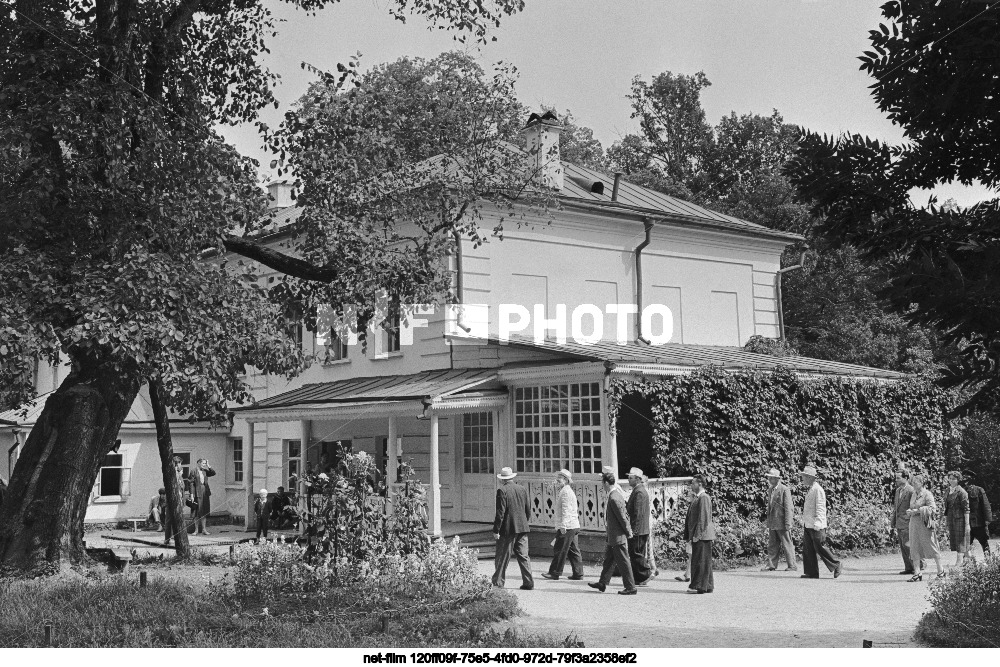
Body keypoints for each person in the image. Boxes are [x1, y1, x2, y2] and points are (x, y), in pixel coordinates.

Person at [589, 471, 637, 595]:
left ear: (606, 483)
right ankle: (602, 583)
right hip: (613, 535)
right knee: (609, 560)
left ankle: (631, 587)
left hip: (618, 536)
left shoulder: (614, 497)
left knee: (623, 561)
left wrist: (628, 531)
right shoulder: (614, 494)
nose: (602, 485)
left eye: (602, 483)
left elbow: (622, 517)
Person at [492, 466, 533, 590]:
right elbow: (528, 510)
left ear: (502, 479)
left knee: (502, 556)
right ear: (512, 477)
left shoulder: (502, 490)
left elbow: (500, 513)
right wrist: (524, 522)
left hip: (508, 529)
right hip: (522, 527)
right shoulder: (522, 489)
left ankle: (498, 582)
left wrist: (496, 530)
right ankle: (528, 582)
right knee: (524, 556)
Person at [799, 465, 842, 579]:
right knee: (808, 549)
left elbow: (821, 507)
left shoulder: (818, 490)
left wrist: (818, 522)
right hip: (808, 524)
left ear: (809, 477)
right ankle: (811, 572)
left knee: (820, 547)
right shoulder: (811, 489)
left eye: (804, 476)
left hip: (816, 525)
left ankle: (836, 564)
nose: (802, 479)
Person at [542, 469, 584, 581]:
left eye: (560, 478)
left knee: (559, 549)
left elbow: (566, 510)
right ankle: (578, 573)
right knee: (573, 550)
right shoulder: (566, 490)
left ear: (565, 480)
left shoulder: (565, 492)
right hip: (573, 524)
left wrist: (563, 526)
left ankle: (555, 572)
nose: (557, 480)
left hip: (568, 525)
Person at [906, 473, 945, 580]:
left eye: (916, 482)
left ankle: (940, 570)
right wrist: (910, 511)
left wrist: (917, 510)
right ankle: (917, 572)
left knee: (931, 545)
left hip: (925, 524)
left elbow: (933, 509)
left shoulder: (927, 494)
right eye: (912, 482)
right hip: (914, 523)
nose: (913, 484)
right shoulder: (914, 494)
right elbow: (912, 506)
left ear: (922, 483)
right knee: (914, 546)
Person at [683, 474, 716, 594]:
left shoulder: (703, 497)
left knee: (699, 561)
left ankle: (698, 586)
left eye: (693, 483)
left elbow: (703, 518)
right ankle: (707, 585)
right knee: (704, 561)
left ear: (700, 484)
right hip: (701, 535)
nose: (691, 485)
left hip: (702, 535)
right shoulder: (698, 497)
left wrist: (697, 535)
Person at [761, 468, 796, 571]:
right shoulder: (771, 489)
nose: (769, 479)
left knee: (787, 543)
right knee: (772, 544)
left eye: (771, 478)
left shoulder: (784, 489)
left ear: (777, 479)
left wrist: (788, 523)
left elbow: (789, 508)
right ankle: (771, 565)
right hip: (773, 522)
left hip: (782, 522)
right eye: (769, 477)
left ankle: (792, 565)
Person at [889, 467, 920, 575]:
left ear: (906, 478)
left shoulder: (911, 490)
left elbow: (916, 505)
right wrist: (893, 521)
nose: (896, 480)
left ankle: (917, 566)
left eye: (898, 478)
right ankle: (908, 567)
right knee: (903, 545)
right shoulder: (898, 491)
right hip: (899, 522)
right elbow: (896, 507)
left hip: (908, 522)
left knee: (909, 545)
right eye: (896, 478)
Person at [625, 467, 652, 585]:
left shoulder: (639, 492)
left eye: (630, 478)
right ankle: (640, 578)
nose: (628, 480)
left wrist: (633, 531)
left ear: (637, 479)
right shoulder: (638, 490)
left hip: (639, 530)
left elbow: (638, 514)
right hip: (641, 529)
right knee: (638, 553)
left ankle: (646, 573)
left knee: (636, 553)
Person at [943, 470, 970, 568]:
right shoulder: (947, 490)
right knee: (955, 539)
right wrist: (945, 519)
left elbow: (966, 509)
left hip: (960, 518)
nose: (951, 480)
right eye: (949, 478)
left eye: (953, 479)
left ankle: (959, 561)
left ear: (958, 480)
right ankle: (969, 559)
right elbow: (946, 506)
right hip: (951, 517)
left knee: (960, 539)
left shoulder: (962, 492)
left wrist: (967, 524)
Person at [964, 473, 993, 559]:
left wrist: (988, 519)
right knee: (967, 543)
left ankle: (988, 559)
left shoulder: (979, 490)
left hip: (978, 522)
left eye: (968, 479)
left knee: (984, 542)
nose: (966, 482)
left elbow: (985, 505)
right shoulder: (962, 491)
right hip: (967, 523)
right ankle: (966, 561)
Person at [187, 457, 216, 535]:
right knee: (196, 511)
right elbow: (191, 483)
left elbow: (213, 473)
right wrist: (192, 495)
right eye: (203, 463)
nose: (204, 465)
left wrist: (209, 466)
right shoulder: (193, 471)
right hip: (197, 492)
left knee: (204, 511)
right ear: (198, 463)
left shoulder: (205, 471)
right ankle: (196, 530)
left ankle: (204, 529)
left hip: (205, 492)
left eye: (205, 463)